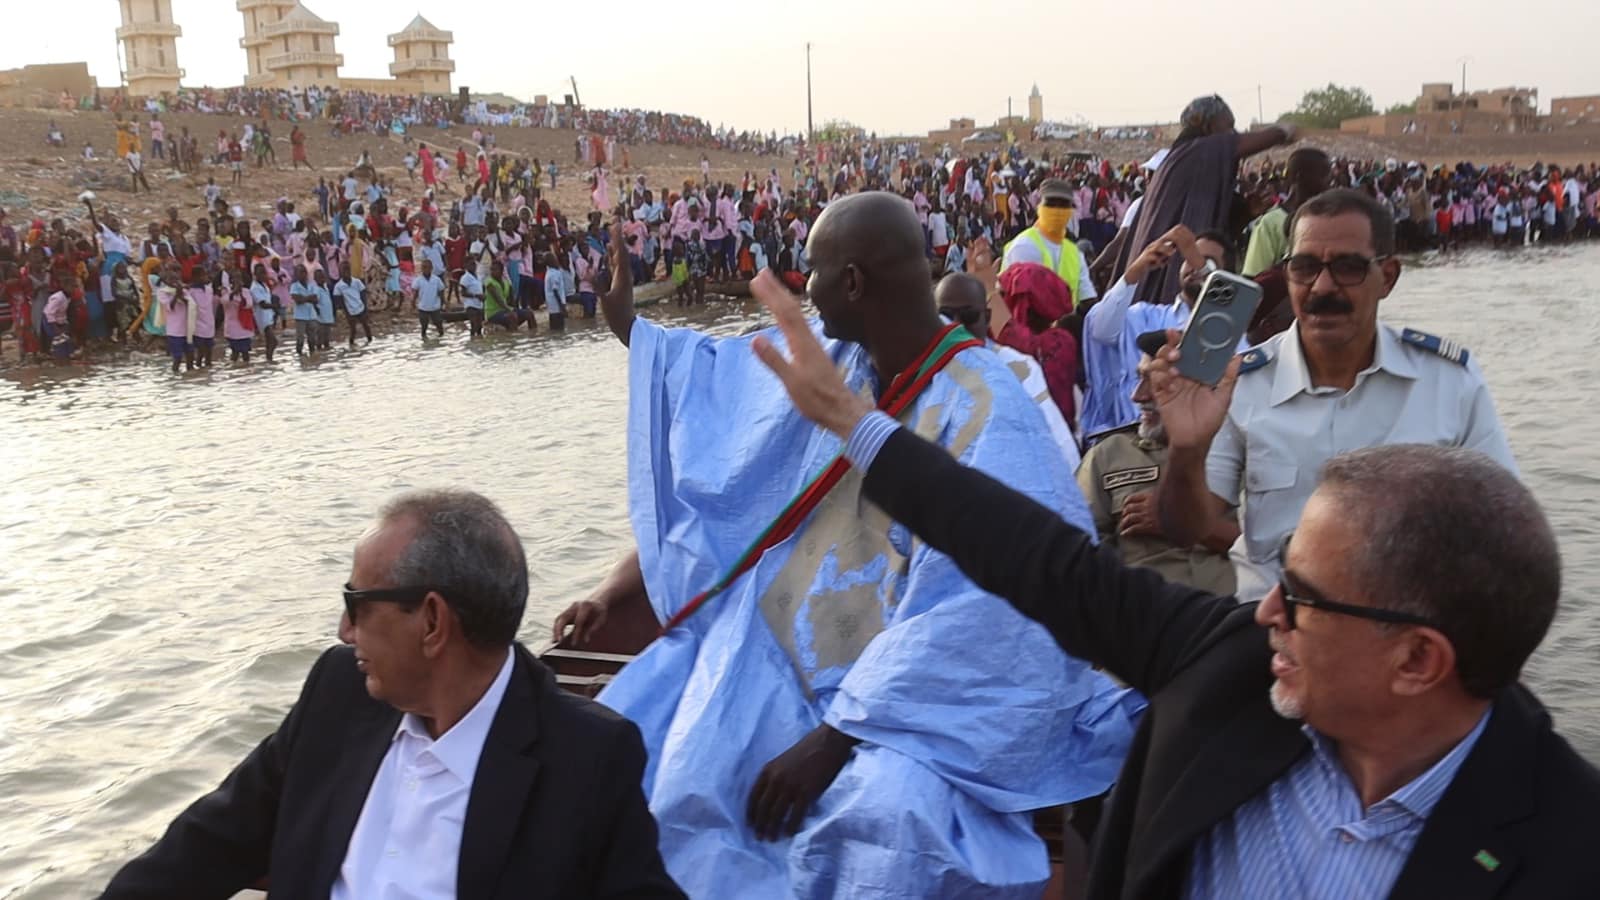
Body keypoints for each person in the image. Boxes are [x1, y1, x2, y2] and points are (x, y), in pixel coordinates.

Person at [752, 294, 1600, 900]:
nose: (1266, 609)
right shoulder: (1230, 669)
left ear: (1418, 660)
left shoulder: (1567, 845)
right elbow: (1036, 557)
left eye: (1301, 598)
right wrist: (854, 422)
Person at [563, 197, 1138, 898]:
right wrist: (630, 326)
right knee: (639, 741)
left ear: (855, 283)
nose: (804, 288)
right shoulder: (841, 359)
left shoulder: (990, 410)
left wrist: (837, 735)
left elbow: (990, 614)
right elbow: (725, 376)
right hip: (778, 648)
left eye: (814, 271)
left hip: (917, 705)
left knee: (884, 826)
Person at [101, 490, 684, 899]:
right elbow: (207, 844)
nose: (344, 631)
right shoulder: (340, 694)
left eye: (358, 605)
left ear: (431, 622)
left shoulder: (585, 756)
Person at [1154, 189, 1516, 603]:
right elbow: (1185, 529)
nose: (1322, 287)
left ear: (1389, 277)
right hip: (1273, 628)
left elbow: (1504, 525)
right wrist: (1185, 449)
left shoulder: (1449, 382)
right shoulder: (1240, 383)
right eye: (1304, 267)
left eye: (1348, 268)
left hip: (1402, 629)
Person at [1077, 329, 1236, 594]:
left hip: (1235, 616)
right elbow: (1083, 554)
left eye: (1158, 382)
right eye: (1141, 379)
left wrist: (1181, 521)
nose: (1138, 396)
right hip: (1145, 622)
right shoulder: (1108, 456)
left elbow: (1281, 551)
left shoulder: (1244, 447)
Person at [1110, 96, 1296, 306]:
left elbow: (1213, 237)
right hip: (1170, 293)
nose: (1233, 134)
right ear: (1208, 126)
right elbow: (1257, 140)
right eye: (1229, 126)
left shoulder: (1186, 161)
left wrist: (1244, 213)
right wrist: (1284, 130)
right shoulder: (1197, 150)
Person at [1081, 225, 1242, 441]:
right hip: (1130, 445)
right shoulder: (1145, 316)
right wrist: (1137, 268)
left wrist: (1202, 268)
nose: (1194, 266)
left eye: (1207, 262)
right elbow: (1100, 329)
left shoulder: (1231, 336)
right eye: (1189, 257)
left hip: (1191, 447)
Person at [934, 272, 1080, 471]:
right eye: (946, 316)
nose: (956, 326)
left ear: (987, 318)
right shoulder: (914, 370)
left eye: (968, 317)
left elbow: (1061, 449)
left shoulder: (1018, 368)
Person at [1000, 179, 1097, 308]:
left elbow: (1087, 300)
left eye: (1063, 205)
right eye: (1051, 204)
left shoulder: (1075, 254)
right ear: (1040, 206)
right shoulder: (1024, 246)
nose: (1057, 210)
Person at [1241, 148, 1332, 277]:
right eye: (1324, 174)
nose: (1329, 181)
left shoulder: (1327, 219)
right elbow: (1253, 276)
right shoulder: (1270, 223)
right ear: (1298, 176)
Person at [333, 261, 371, 347]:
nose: (346, 272)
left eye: (347, 270)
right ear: (340, 272)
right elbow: (339, 301)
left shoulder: (357, 282)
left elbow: (363, 295)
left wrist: (365, 308)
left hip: (360, 307)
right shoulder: (338, 286)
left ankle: (370, 340)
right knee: (353, 329)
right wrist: (346, 313)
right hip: (349, 310)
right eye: (344, 270)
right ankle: (351, 343)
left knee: (366, 326)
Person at [412, 259, 447, 339]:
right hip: (423, 307)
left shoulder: (436, 279)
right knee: (424, 326)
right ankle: (424, 338)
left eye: (428, 267)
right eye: (424, 267)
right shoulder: (418, 280)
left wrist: (443, 302)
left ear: (431, 268)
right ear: (422, 269)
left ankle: (441, 338)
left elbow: (441, 291)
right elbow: (416, 293)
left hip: (435, 306)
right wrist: (413, 302)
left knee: (438, 324)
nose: (426, 269)